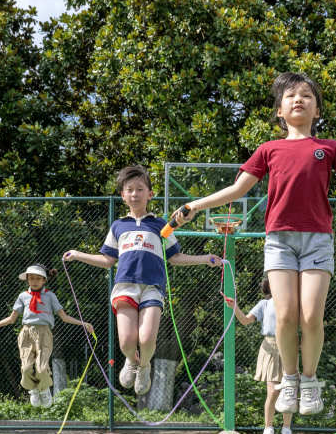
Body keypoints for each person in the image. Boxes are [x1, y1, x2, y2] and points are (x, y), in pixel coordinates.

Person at [170, 72, 336, 415]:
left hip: (317, 241)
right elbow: (237, 191)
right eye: (291, 95)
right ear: (279, 110)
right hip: (279, 241)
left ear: (317, 110)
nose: (299, 100)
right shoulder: (269, 149)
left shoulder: (329, 148)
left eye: (307, 96)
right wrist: (193, 206)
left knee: (311, 315)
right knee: (285, 315)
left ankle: (309, 381)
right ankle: (290, 379)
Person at [63, 165, 221, 395]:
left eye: (140, 189)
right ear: (123, 195)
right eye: (130, 190)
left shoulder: (161, 226)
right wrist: (78, 254)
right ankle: (131, 360)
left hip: (152, 288)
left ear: (150, 194)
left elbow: (175, 257)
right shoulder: (118, 226)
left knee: (146, 339)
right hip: (124, 287)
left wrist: (205, 258)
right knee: (127, 342)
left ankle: (144, 365)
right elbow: (108, 260)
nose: (135, 194)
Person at [0, 264, 94, 407]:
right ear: (27, 279)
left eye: (38, 278)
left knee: (41, 368)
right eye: (31, 278)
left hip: (44, 333)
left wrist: (83, 323)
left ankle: (44, 389)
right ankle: (33, 389)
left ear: (44, 280)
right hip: (26, 334)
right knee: (26, 368)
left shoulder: (50, 296)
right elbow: (11, 319)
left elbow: (64, 317)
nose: (34, 281)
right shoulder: (23, 296)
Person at [225, 276, 294, 434]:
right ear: (270, 286)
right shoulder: (264, 304)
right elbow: (245, 320)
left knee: (288, 390)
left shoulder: (292, 302)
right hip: (269, 347)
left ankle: (286, 429)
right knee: (273, 391)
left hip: (289, 347)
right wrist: (234, 306)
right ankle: (268, 428)